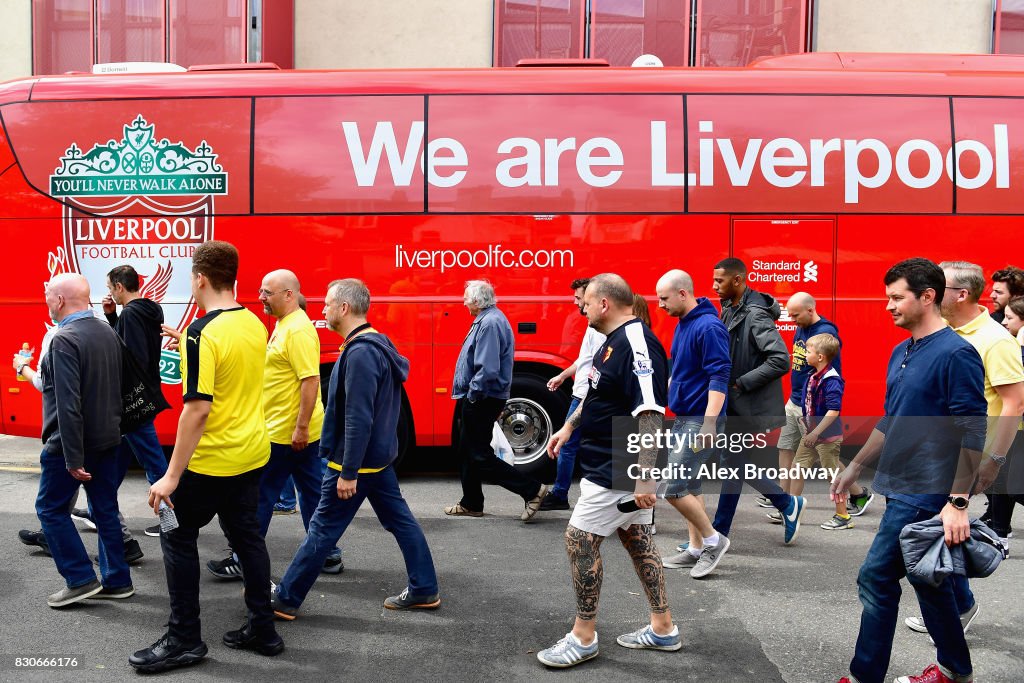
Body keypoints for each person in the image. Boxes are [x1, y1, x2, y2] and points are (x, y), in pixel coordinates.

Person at [832, 258, 987, 683]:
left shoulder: (957, 353)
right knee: (929, 582)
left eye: (896, 297)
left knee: (876, 578)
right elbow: (891, 419)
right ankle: (955, 670)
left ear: (927, 296)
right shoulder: (902, 350)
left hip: (927, 491)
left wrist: (957, 502)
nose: (888, 306)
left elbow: (974, 430)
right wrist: (857, 466)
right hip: (898, 486)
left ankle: (866, 675)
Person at [131, 241, 282, 673]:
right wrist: (188, 344)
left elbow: (197, 409)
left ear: (199, 278)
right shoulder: (252, 322)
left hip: (208, 462)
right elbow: (234, 373)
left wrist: (171, 476)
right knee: (248, 539)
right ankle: (262, 628)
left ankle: (184, 638)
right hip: (250, 455)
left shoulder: (202, 332)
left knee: (176, 535)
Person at [271, 279, 440, 618]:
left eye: (328, 304)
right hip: (378, 462)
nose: (322, 310)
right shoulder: (377, 343)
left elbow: (357, 419)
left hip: (357, 466)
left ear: (344, 308)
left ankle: (286, 600)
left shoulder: (360, 353)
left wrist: (347, 472)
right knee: (401, 522)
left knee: (321, 529)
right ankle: (423, 588)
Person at [537, 273, 679, 668]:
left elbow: (650, 412)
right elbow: (598, 394)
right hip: (615, 463)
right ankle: (663, 628)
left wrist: (646, 477)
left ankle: (583, 637)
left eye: (586, 302)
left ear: (604, 304)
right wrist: (568, 426)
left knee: (579, 539)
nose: (581, 308)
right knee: (638, 540)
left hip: (618, 466)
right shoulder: (611, 342)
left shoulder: (636, 343)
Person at [897, 261, 1024, 640]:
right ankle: (960, 604)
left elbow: (1014, 403)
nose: (931, 291)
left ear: (961, 294)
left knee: (923, 536)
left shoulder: (994, 339)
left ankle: (954, 616)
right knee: (937, 534)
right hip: (937, 456)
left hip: (968, 458)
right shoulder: (947, 333)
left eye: (941, 286)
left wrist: (994, 461)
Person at [206, 269, 342, 580]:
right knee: (312, 494)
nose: (261, 297)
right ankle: (327, 553)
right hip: (293, 432)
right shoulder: (286, 325)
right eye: (261, 290)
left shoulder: (297, 330)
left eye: (267, 292)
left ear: (289, 295)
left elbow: (310, 380)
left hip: (286, 434)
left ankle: (243, 558)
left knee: (260, 497)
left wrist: (301, 428)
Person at [29, 274, 131, 607]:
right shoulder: (106, 330)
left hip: (71, 446)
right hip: (109, 441)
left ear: (59, 300)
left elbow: (68, 404)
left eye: (47, 295)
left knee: (50, 509)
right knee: (105, 510)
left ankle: (80, 579)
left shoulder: (63, 339)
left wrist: (73, 458)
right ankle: (118, 581)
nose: (45, 300)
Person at [710, 258, 805, 544]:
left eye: (720, 281)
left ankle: (718, 534)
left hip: (744, 405)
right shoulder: (730, 308)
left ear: (738, 280)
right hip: (736, 404)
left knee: (731, 466)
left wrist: (741, 383)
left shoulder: (754, 314)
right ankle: (787, 504)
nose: (715, 286)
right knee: (734, 466)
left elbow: (780, 360)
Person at [444, 280, 548, 520]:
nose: (463, 302)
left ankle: (532, 490)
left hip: (482, 397)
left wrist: (472, 394)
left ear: (478, 301)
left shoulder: (489, 323)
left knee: (479, 455)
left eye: (466, 298)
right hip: (481, 396)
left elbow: (488, 369)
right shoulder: (488, 319)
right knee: (466, 450)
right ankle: (471, 502)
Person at [654, 270, 732, 578]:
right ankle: (696, 548)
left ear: (683, 294)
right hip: (686, 417)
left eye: (664, 298)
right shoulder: (685, 324)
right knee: (691, 485)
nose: (660, 305)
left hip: (700, 420)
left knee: (672, 488)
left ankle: (714, 541)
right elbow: (685, 370)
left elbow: (719, 375)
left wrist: (710, 423)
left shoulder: (709, 327)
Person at [769, 292, 873, 514]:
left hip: (811, 408)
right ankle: (782, 497)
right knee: (785, 448)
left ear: (810, 310)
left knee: (827, 457)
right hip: (795, 399)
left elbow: (831, 375)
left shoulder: (825, 333)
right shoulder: (802, 326)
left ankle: (856, 494)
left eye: (796, 315)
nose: (793, 320)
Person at [100, 264, 168, 540]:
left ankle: (173, 518)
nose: (109, 294)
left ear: (119, 286)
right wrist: (112, 316)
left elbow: (129, 355)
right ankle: (101, 507)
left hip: (133, 400)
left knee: (154, 463)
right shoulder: (152, 308)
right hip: (148, 390)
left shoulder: (130, 315)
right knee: (118, 458)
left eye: (109, 288)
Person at [543, 278, 606, 511]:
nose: (576, 302)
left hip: (586, 396)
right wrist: (563, 375)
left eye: (579, 298)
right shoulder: (593, 325)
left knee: (569, 445)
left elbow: (599, 363)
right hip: (582, 392)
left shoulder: (598, 328)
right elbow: (585, 359)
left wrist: (587, 392)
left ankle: (561, 494)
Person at [790, 333, 853, 530]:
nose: (803, 355)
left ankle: (843, 516)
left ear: (820, 357)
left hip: (825, 438)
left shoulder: (831, 380)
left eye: (808, 351)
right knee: (797, 469)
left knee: (833, 476)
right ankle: (791, 508)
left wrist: (815, 432)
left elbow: (834, 410)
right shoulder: (813, 375)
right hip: (812, 434)